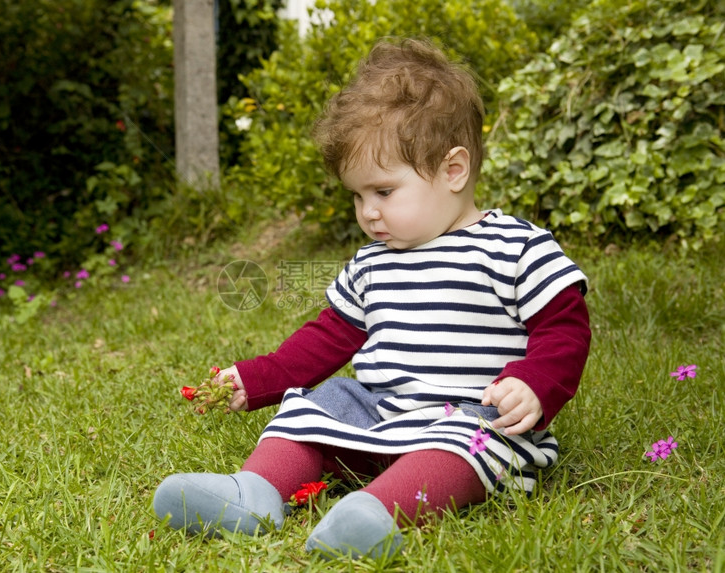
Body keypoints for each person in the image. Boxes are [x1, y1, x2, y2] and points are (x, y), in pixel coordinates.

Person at [153, 37, 591, 559]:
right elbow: (325, 340)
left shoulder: (516, 247)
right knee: (322, 405)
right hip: (380, 414)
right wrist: (259, 378)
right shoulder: (371, 262)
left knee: (457, 445)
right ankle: (255, 492)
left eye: (383, 192)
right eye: (357, 196)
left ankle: (377, 512)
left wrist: (533, 383)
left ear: (454, 171)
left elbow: (565, 329)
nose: (368, 212)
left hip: (473, 418)